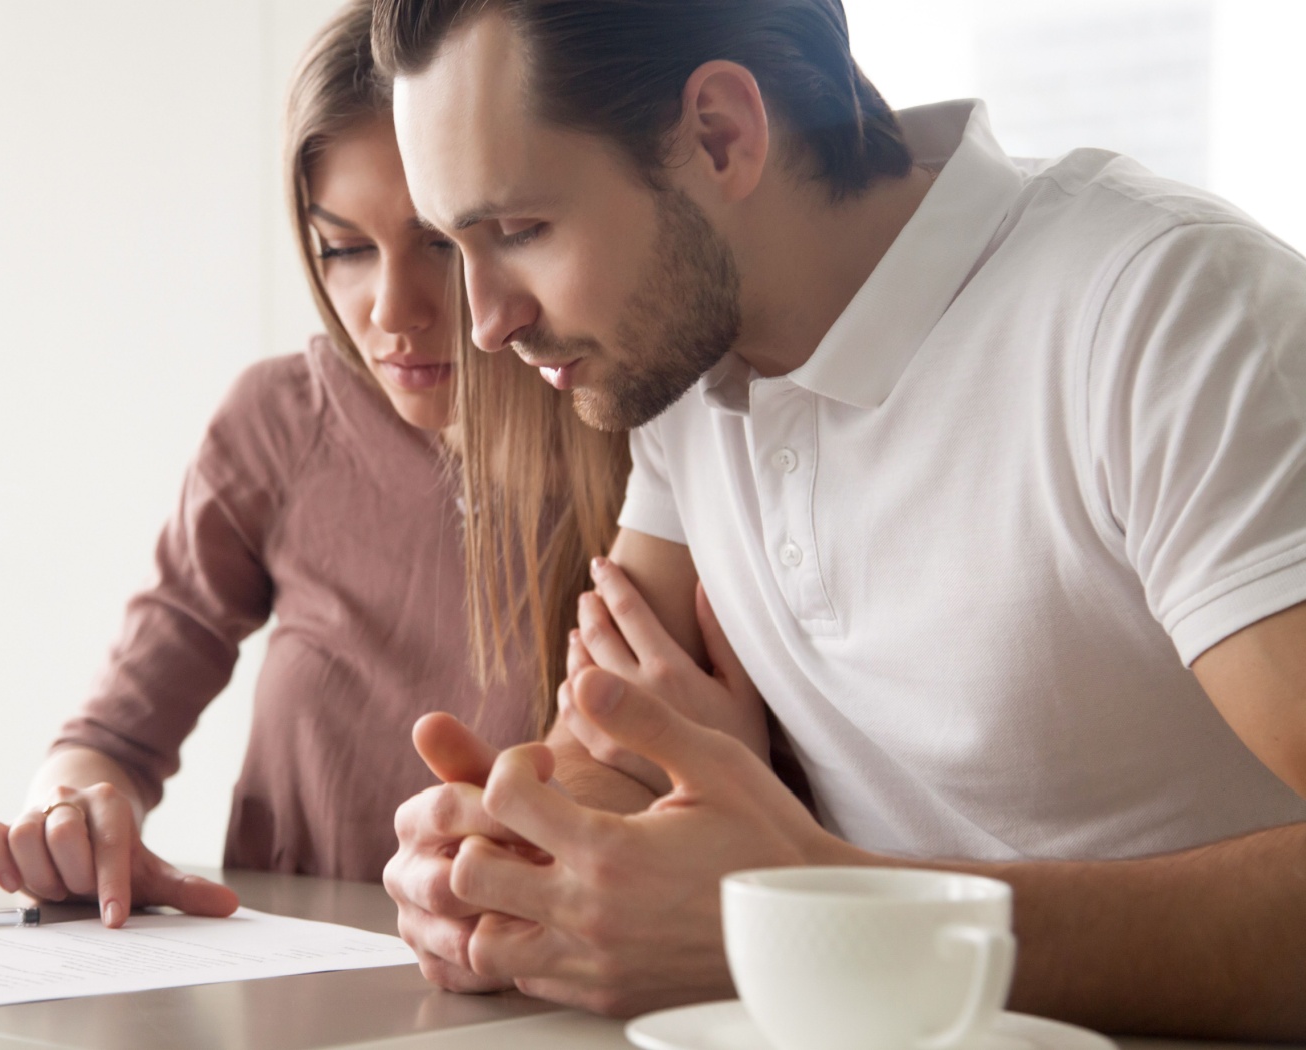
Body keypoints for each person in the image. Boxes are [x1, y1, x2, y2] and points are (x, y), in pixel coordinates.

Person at [368, 0, 1306, 1039]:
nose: (486, 321)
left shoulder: (1158, 311)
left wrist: (817, 910)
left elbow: (761, 882)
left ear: (722, 133)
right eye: (458, 246)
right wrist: (519, 862)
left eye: (518, 232)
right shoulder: (684, 368)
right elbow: (616, 760)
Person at [0, 0, 628, 928]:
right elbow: (111, 736)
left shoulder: (641, 438)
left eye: (437, 243)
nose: (391, 310)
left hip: (531, 981)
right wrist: (74, 809)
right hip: (292, 988)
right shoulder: (279, 422)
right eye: (344, 250)